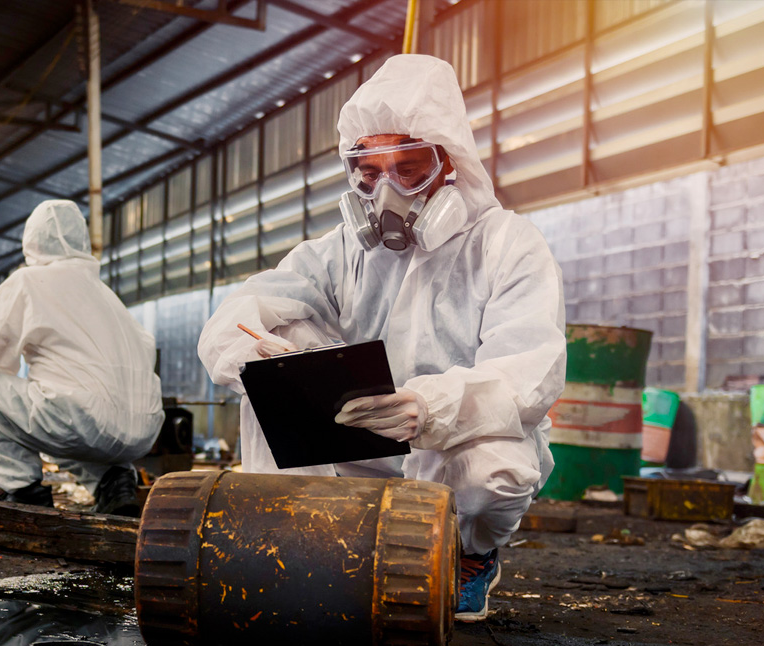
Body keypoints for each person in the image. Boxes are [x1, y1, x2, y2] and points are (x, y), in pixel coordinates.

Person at [197, 55, 566, 622]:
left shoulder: (506, 244)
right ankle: (298, 543)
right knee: (272, 345)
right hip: (355, 442)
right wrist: (258, 359)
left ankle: (469, 554)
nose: (387, 189)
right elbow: (242, 312)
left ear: (449, 161)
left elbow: (528, 370)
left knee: (495, 472)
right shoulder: (338, 252)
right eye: (369, 171)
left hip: (452, 446)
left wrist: (430, 407)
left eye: (409, 168)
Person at [0, 199, 163, 516]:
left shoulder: (29, 280)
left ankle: (24, 491)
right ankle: (115, 483)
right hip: (142, 432)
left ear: (32, 240)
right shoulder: (107, 297)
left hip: (80, 419)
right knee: (63, 417)